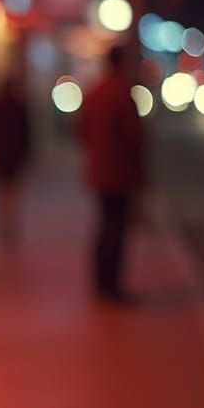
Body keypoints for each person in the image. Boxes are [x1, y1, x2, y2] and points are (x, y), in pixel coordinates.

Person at [76, 44, 146, 301]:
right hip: (119, 173)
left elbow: (80, 131)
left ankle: (101, 282)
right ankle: (112, 286)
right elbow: (133, 137)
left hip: (98, 171)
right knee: (116, 230)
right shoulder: (121, 93)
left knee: (104, 226)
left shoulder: (94, 93)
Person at [0, 75, 32, 244]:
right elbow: (26, 134)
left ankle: (6, 222)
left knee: (3, 190)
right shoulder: (19, 106)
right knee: (13, 190)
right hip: (14, 154)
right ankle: (11, 222)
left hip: (1, 154)